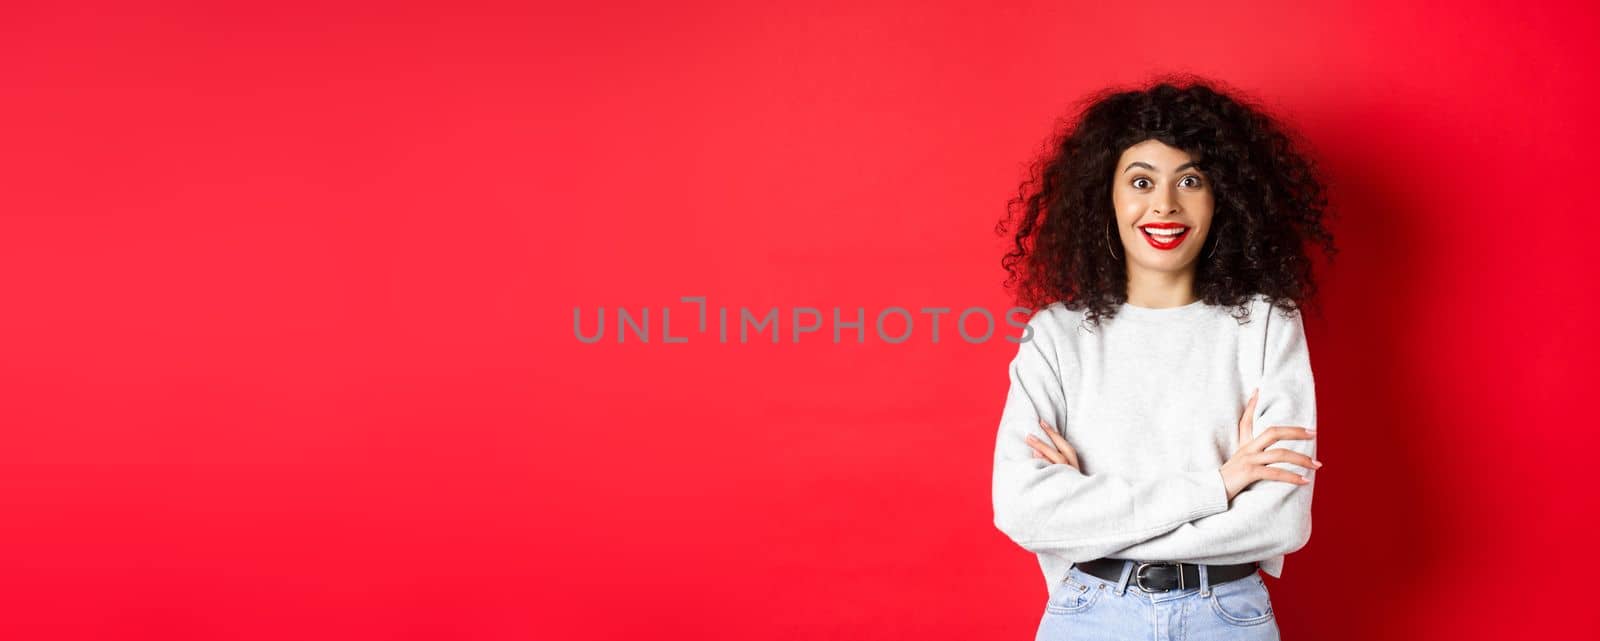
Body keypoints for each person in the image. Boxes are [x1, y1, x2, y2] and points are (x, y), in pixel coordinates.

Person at [991, 76, 1338, 641]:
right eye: (1141, 181)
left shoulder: (1268, 323)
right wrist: (1219, 485)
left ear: (1221, 196)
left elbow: (1281, 520)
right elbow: (1023, 512)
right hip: (1090, 615)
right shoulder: (1055, 336)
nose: (1165, 204)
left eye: (1191, 180)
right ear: (1107, 195)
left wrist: (1090, 518)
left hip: (1227, 615)